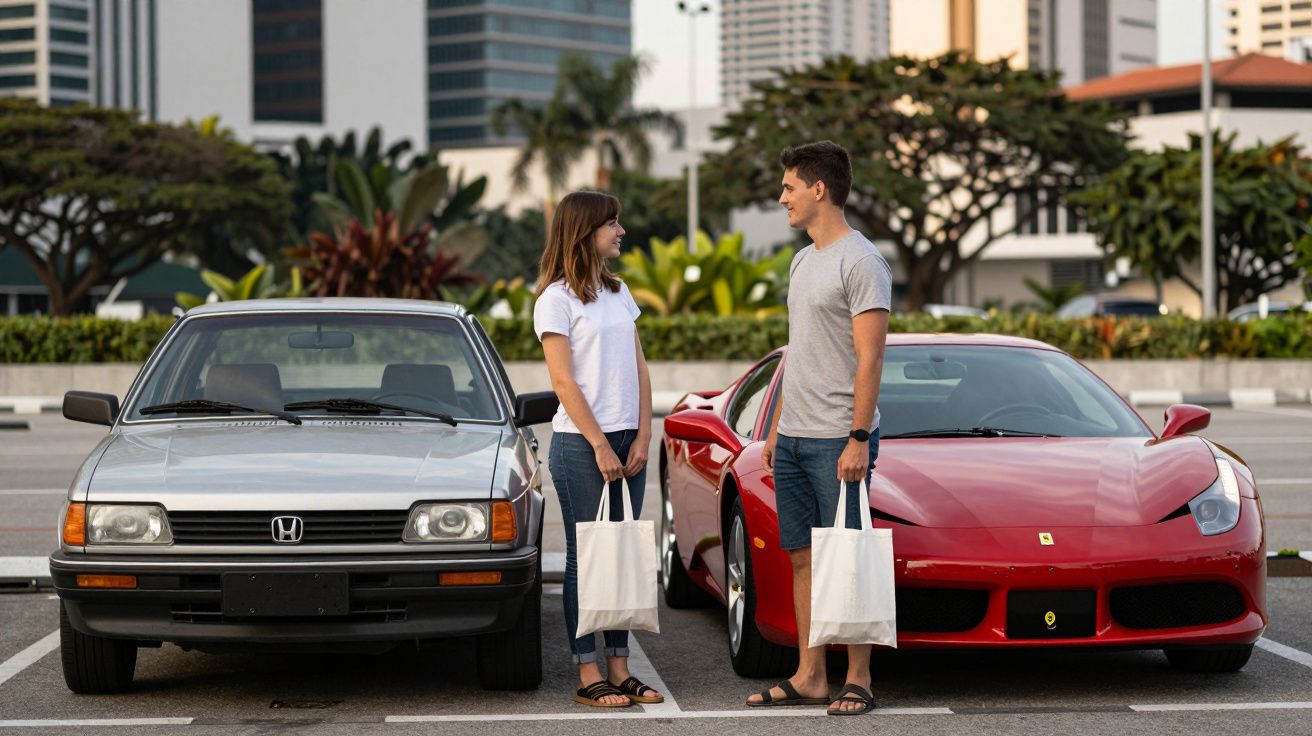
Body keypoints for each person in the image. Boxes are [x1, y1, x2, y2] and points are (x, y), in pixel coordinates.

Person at [744, 141, 892, 716]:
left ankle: (859, 677)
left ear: (818, 189)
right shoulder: (802, 261)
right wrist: (777, 426)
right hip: (795, 436)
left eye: (789, 187)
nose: (782, 197)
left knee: (848, 556)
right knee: (802, 556)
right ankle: (810, 675)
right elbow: (798, 352)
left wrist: (858, 437)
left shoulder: (862, 262)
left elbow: (870, 359)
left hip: (838, 438)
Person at [533, 191, 663, 709]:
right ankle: (588, 672)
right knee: (586, 560)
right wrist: (600, 445)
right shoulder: (555, 300)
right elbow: (563, 382)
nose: (621, 231)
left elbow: (640, 368)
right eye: (612, 223)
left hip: (629, 441)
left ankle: (620, 668)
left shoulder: (618, 291)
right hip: (581, 446)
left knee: (621, 555)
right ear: (584, 231)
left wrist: (645, 434)